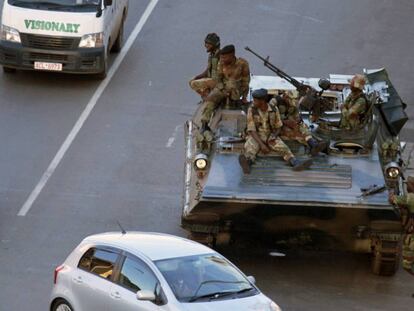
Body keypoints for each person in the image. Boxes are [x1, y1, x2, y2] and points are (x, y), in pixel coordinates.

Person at [238, 89, 313, 174]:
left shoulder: (274, 109)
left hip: (270, 134)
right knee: (250, 147)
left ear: (262, 101)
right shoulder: (252, 109)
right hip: (256, 135)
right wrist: (262, 145)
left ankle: (294, 162)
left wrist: (275, 135)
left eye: (255, 100)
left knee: (283, 147)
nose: (253, 102)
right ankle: (247, 163)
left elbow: (278, 126)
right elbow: (251, 130)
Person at [200, 44, 250, 132]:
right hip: (223, 88)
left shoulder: (242, 64)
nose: (222, 60)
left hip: (237, 89)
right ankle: (204, 124)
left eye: (225, 57)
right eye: (222, 57)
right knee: (211, 99)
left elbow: (246, 81)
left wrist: (244, 96)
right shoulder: (221, 63)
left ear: (232, 55)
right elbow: (218, 79)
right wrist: (222, 89)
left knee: (232, 84)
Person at [272, 91, 327, 156]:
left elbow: (297, 115)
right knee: (294, 133)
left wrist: (296, 122)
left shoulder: (294, 103)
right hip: (279, 125)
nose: (291, 101)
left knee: (302, 126)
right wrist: (285, 122)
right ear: (284, 96)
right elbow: (271, 118)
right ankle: (312, 146)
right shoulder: (275, 102)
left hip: (290, 121)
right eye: (289, 99)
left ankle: (313, 144)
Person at [389, 176, 414, 276]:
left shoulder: (411, 197)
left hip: (412, 236)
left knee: (407, 264)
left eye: (408, 184)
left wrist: (391, 191)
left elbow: (392, 199)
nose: (407, 186)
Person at [189, 33, 221, 99]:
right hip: (211, 79)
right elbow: (208, 70)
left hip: (217, 81)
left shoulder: (220, 55)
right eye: (206, 43)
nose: (206, 45)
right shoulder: (212, 55)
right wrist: (198, 77)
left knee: (193, 84)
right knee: (191, 81)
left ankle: (207, 96)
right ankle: (205, 94)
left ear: (215, 44)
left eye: (209, 44)